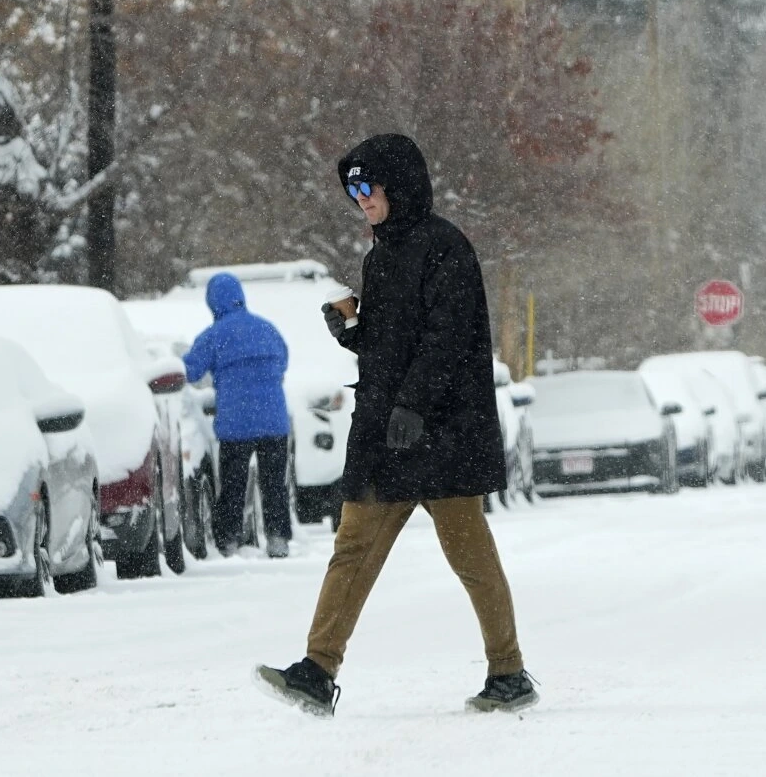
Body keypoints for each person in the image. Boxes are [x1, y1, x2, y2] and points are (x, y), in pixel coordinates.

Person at [254, 134, 537, 715]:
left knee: (469, 554)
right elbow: (392, 345)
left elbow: (448, 339)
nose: (359, 198)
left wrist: (413, 403)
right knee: (352, 546)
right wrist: (354, 332)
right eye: (351, 188)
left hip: (443, 432)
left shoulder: (445, 248)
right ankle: (317, 669)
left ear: (399, 185)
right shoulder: (380, 255)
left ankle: (508, 673)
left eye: (368, 186)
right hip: (389, 434)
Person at [183, 273, 294, 559]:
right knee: (274, 483)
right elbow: (282, 360)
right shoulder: (267, 328)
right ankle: (278, 538)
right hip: (273, 420)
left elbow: (190, 371)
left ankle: (228, 540)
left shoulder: (213, 336)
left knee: (233, 484)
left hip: (236, 423)